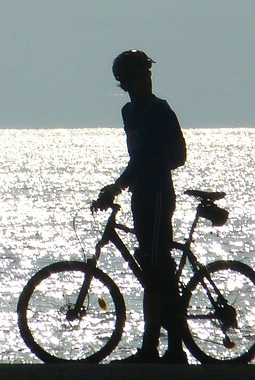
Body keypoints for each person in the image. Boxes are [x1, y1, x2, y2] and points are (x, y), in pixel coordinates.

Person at [91, 49, 188, 363]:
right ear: (125, 83)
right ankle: (171, 349)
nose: (145, 81)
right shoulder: (129, 113)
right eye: (138, 77)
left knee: (157, 273)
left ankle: (156, 349)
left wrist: (116, 187)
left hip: (158, 194)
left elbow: (153, 157)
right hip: (141, 196)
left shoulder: (159, 111)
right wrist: (122, 186)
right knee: (155, 272)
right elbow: (138, 159)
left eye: (147, 75)